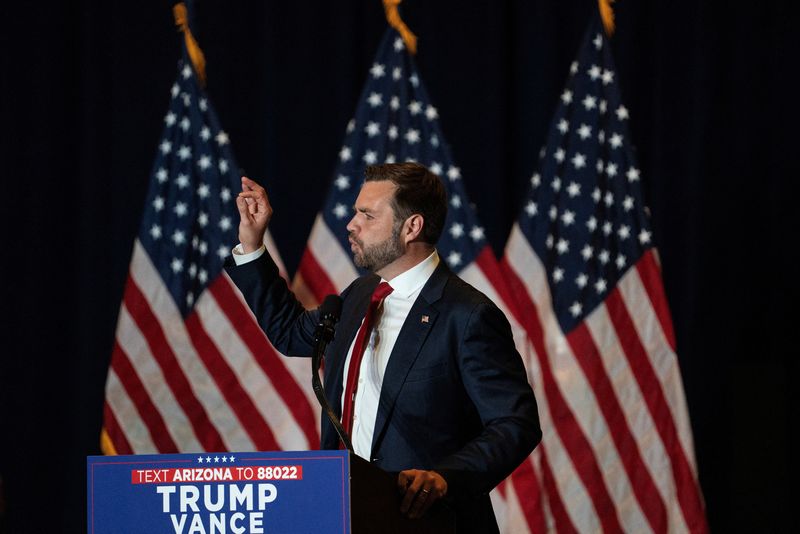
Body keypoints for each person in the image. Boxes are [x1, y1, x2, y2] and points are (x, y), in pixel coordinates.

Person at [226, 162, 541, 532]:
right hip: (346, 515)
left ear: (412, 227)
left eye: (367, 215)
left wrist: (444, 478)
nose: (351, 224)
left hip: (427, 521)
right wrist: (252, 245)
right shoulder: (360, 295)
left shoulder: (467, 316)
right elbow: (290, 332)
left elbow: (515, 422)